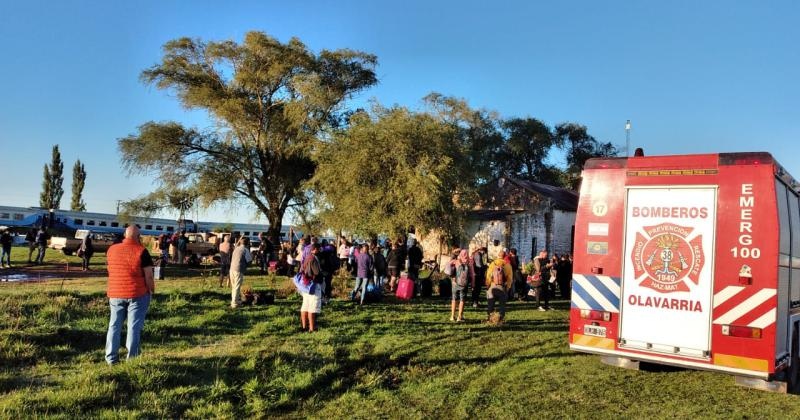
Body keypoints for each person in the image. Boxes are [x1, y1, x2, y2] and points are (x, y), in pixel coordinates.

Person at [105, 225, 155, 364]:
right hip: (137, 293)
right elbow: (149, 276)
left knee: (114, 325)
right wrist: (151, 290)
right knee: (133, 326)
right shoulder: (142, 251)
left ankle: (111, 358)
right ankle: (132, 359)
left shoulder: (111, 250)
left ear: (124, 235)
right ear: (138, 237)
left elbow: (110, 268)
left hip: (115, 293)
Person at [300, 243, 324, 332]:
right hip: (313, 284)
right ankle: (312, 328)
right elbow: (317, 272)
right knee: (312, 307)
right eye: (318, 249)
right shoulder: (313, 259)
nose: (319, 250)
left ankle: (304, 326)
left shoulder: (307, 257)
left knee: (305, 305)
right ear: (315, 249)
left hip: (305, 284)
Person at [485, 250, 513, 322]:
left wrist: (488, 285)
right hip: (502, 286)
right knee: (502, 305)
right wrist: (508, 288)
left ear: (498, 255)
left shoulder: (492, 264)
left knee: (490, 303)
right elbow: (510, 278)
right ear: (504, 256)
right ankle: (501, 319)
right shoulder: (508, 265)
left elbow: (488, 276)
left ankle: (490, 318)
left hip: (493, 285)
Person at [450, 249, 473, 322]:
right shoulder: (469, 263)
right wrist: (473, 284)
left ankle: (452, 316)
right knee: (462, 300)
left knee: (454, 299)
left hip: (455, 283)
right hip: (464, 285)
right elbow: (472, 275)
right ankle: (459, 317)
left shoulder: (456, 262)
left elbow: (448, 266)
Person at [229, 237, 253, 308]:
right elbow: (249, 261)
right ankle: (234, 304)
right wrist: (253, 257)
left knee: (234, 286)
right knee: (237, 287)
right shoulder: (245, 250)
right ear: (248, 243)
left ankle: (236, 300)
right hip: (239, 269)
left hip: (232, 268)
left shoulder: (236, 248)